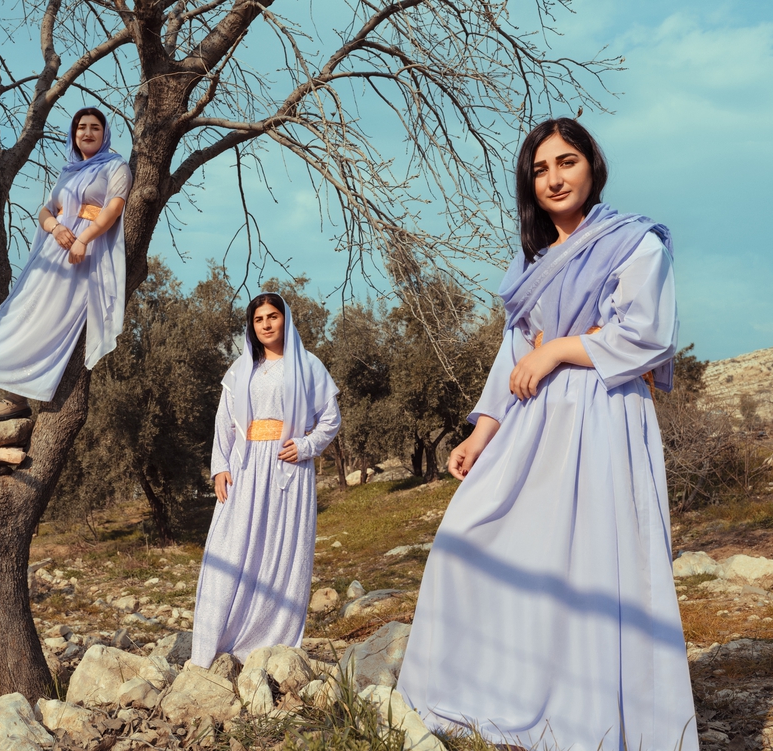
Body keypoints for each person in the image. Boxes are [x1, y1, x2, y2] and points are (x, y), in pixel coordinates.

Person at [396, 118, 699, 751]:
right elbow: (510, 356)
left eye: (566, 162)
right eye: (540, 169)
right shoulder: (532, 260)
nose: (554, 178)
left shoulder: (634, 243)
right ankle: (488, 693)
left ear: (593, 166)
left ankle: (592, 716)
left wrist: (559, 348)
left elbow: (647, 335)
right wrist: (480, 433)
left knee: (591, 563)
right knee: (468, 539)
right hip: (533, 422)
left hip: (605, 414)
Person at [0, 108, 131, 420]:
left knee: (46, 322)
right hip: (52, 253)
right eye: (81, 128)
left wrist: (84, 239)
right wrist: (56, 228)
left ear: (104, 133)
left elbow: (113, 208)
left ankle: (11, 391)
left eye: (95, 128)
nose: (87, 133)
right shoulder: (69, 171)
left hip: (81, 257)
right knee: (18, 313)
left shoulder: (116, 166)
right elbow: (46, 210)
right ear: (73, 135)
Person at [190, 293, 341, 668]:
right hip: (244, 467)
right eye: (259, 320)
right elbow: (224, 422)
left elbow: (330, 419)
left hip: (288, 468)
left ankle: (268, 642)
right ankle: (212, 645)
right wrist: (219, 466)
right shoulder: (241, 369)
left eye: (273, 316)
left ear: (285, 319)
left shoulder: (309, 366)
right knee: (229, 548)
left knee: (281, 547)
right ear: (252, 327)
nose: (267, 324)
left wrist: (306, 445)